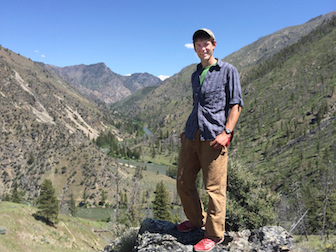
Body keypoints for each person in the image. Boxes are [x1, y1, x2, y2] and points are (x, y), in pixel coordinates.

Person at [176, 28, 244, 252]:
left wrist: (227, 132)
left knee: (214, 188)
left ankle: (214, 235)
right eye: (198, 45)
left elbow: (236, 105)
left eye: (206, 44)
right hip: (192, 134)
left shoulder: (228, 70)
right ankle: (196, 221)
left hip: (214, 137)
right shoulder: (195, 74)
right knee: (184, 181)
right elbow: (198, 107)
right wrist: (187, 130)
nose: (202, 48)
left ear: (214, 44)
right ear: (194, 49)